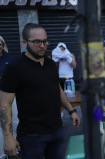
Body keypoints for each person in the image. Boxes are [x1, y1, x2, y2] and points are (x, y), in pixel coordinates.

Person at [0, 23, 80, 159]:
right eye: (37, 42)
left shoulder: (50, 63)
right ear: (24, 42)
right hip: (32, 138)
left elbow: (57, 88)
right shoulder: (15, 68)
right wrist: (8, 138)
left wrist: (71, 110)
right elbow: (5, 104)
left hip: (58, 131)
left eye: (44, 41)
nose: (42, 45)